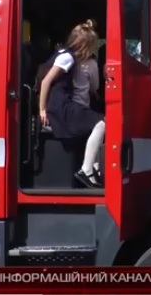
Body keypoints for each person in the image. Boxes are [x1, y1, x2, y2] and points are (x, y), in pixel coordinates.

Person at [38, 20, 105, 188]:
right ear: (85, 45)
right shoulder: (67, 58)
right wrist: (42, 110)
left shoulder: (64, 54)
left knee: (97, 123)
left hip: (61, 105)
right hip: (61, 107)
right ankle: (87, 169)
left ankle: (93, 170)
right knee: (103, 123)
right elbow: (46, 82)